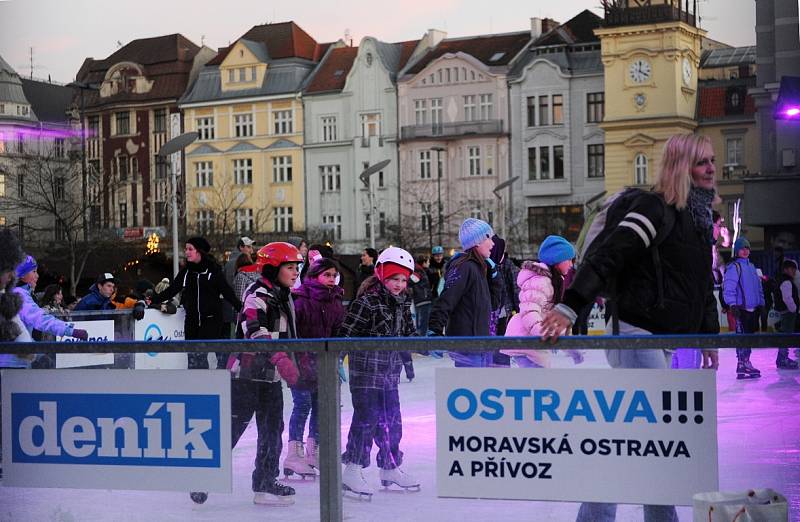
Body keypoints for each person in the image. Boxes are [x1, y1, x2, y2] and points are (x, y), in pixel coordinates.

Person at [540, 134, 720, 522]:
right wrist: (571, 307)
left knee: (645, 442)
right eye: (702, 162)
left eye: (712, 161)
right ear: (680, 167)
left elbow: (701, 282)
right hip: (637, 333)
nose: (711, 169)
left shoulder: (698, 220)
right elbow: (611, 255)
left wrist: (709, 336)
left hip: (669, 339)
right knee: (647, 441)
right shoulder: (654, 207)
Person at [191, 243, 303, 506]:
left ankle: (265, 483)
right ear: (273, 268)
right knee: (231, 430)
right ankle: (201, 476)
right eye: (290, 267)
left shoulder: (283, 294)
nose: (296, 272)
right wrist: (280, 358)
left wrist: (300, 359)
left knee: (272, 430)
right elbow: (254, 330)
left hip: (271, 377)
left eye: (297, 267)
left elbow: (289, 334)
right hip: (246, 375)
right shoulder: (257, 294)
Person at [339, 247, 420, 498]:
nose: (399, 285)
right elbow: (346, 334)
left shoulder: (403, 302)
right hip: (366, 374)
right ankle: (352, 469)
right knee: (366, 420)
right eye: (394, 279)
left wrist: (427, 342)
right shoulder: (367, 302)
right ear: (382, 275)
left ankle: (389, 466)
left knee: (392, 421)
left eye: (403, 280)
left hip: (389, 373)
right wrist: (336, 361)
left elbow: (408, 333)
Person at [285, 257, 345, 478]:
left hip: (324, 364)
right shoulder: (301, 299)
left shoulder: (336, 301)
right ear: (313, 276)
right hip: (301, 363)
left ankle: (314, 451)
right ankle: (294, 453)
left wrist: (338, 358)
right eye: (326, 275)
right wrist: (298, 359)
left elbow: (339, 333)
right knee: (302, 404)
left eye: (333, 275)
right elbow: (293, 332)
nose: (331, 279)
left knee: (321, 406)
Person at [149, 237, 240, 369]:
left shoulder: (213, 270)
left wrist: (241, 308)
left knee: (200, 354)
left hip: (211, 319)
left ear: (200, 252)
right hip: (191, 319)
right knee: (192, 355)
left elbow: (227, 292)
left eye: (190, 249)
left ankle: (204, 383)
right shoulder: (187, 272)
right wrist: (153, 300)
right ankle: (195, 385)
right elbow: (172, 290)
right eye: (186, 249)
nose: (186, 252)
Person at [428, 218, 501, 367]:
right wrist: (434, 331)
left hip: (479, 343)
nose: (493, 244)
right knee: (472, 386)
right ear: (477, 241)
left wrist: (495, 277)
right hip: (467, 345)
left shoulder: (479, 268)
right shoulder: (464, 267)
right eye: (489, 238)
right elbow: (447, 298)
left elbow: (492, 305)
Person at [501, 235, 583, 368]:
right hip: (525, 340)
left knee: (541, 379)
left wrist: (569, 347)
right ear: (557, 260)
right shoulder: (541, 281)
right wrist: (546, 336)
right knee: (538, 381)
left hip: (533, 342)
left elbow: (553, 320)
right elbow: (529, 312)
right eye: (569, 260)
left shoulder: (553, 282)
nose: (571, 264)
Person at [13, 255, 87, 341]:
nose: (37, 276)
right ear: (22, 275)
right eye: (34, 272)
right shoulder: (19, 295)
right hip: (15, 351)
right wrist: (69, 330)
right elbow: (39, 318)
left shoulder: (20, 293)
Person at [723, 237, 767, 377]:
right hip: (741, 309)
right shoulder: (734, 267)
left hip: (753, 309)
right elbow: (729, 288)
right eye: (742, 248)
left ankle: (745, 362)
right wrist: (732, 304)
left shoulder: (752, 267)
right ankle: (742, 363)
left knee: (748, 337)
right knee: (742, 337)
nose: (745, 251)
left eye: (747, 248)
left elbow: (758, 287)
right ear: (737, 251)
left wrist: (761, 304)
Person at [222, 237, 255, 336]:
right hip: (234, 310)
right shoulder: (236, 263)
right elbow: (234, 287)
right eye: (248, 247)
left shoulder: (234, 261)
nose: (251, 250)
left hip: (234, 308)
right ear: (241, 247)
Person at [775, 259, 799, 368]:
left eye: (795, 269)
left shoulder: (786, 280)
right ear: (785, 270)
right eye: (792, 269)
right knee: (786, 336)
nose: (794, 271)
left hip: (787, 312)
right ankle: (783, 358)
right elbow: (787, 297)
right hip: (788, 312)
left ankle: (782, 357)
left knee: (786, 335)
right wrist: (793, 309)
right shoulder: (786, 281)